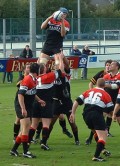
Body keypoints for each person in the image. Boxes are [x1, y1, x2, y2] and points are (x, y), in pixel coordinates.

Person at [69, 78, 114, 162]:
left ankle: (102, 149)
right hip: (96, 114)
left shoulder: (88, 91)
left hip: (86, 115)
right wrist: (113, 116)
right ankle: (96, 156)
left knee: (96, 132)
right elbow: (111, 109)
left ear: (96, 84)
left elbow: (76, 101)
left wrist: (73, 113)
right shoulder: (106, 94)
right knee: (103, 135)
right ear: (104, 86)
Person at [28, 54, 65, 150]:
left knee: (34, 125)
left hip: (35, 103)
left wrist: (40, 59)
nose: (46, 66)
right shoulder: (48, 76)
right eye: (45, 66)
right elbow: (61, 70)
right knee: (46, 124)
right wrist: (60, 59)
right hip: (46, 103)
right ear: (43, 69)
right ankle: (43, 142)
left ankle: (27, 142)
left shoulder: (34, 78)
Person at [10, 63, 45, 158]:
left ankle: (14, 150)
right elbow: (20, 94)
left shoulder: (34, 79)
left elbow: (32, 92)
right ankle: (25, 152)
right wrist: (23, 108)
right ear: (37, 71)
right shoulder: (27, 79)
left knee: (25, 128)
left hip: (28, 106)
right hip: (22, 105)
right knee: (26, 128)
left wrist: (39, 100)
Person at [85, 59, 112, 145]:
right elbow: (91, 83)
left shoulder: (113, 76)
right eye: (107, 65)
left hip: (110, 99)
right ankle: (92, 137)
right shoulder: (101, 73)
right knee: (100, 117)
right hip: (101, 100)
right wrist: (92, 91)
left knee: (110, 116)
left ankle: (106, 131)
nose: (108, 66)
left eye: (109, 65)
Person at [13, 64, 30, 142]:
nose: (29, 69)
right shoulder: (22, 77)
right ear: (24, 70)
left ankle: (28, 137)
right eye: (28, 67)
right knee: (18, 120)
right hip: (20, 101)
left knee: (30, 121)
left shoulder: (32, 77)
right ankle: (15, 136)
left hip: (28, 101)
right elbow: (18, 85)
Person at [103, 60, 120, 134]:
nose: (110, 66)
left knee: (119, 119)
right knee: (99, 118)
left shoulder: (119, 76)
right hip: (107, 102)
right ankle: (91, 138)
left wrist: (106, 85)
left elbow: (116, 86)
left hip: (117, 101)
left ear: (117, 67)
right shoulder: (106, 76)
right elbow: (101, 88)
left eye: (112, 65)